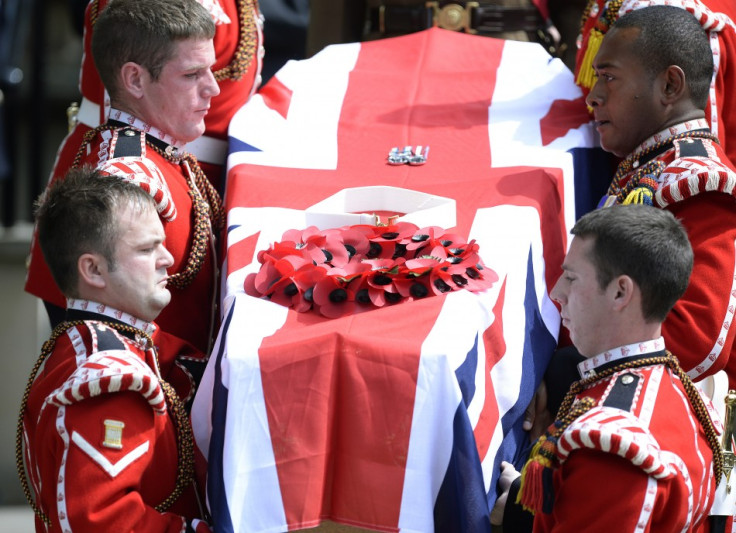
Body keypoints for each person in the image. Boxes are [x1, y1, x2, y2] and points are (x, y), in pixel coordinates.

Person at [491, 204, 722, 531]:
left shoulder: (613, 450)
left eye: (571, 278)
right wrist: (523, 502)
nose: (558, 293)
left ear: (620, 292)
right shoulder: (676, 387)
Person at [18, 167, 212, 532]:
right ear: (93, 270)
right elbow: (101, 521)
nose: (167, 259)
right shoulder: (111, 380)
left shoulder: (88, 339)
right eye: (146, 248)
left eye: (161, 243)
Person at [25, 0, 223, 355]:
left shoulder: (163, 149)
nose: (213, 89)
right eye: (192, 74)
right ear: (134, 79)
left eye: (211, 70)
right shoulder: (132, 180)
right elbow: (120, 339)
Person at [64, 0, 263, 191]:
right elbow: (124, 108)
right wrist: (129, 178)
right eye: (191, 74)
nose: (213, 88)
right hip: (148, 170)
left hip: (192, 174)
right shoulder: (133, 174)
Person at [574, 0, 736, 163]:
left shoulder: (675, 15)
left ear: (670, 85)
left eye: (608, 77)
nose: (592, 98)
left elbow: (703, 157)